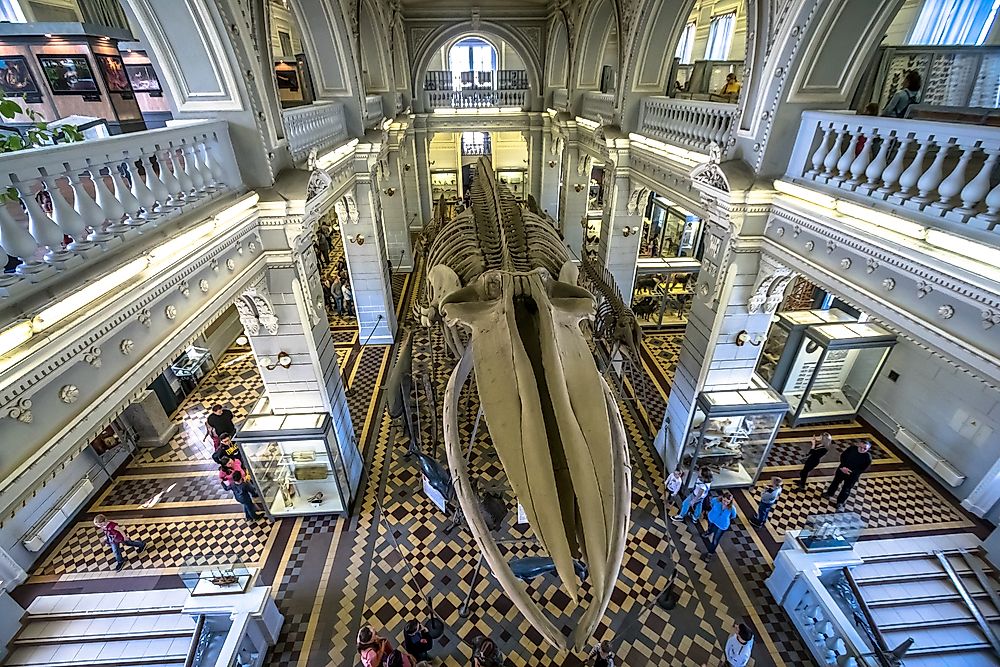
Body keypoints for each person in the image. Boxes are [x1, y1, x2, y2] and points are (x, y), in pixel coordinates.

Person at [824, 440, 873, 511]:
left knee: (846, 488)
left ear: (868, 449)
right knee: (835, 482)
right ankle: (829, 493)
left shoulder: (867, 457)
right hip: (842, 469)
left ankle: (840, 502)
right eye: (861, 447)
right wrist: (843, 467)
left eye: (865, 449)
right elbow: (843, 456)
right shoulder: (852, 449)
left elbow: (862, 469)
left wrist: (850, 471)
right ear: (859, 444)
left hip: (852, 475)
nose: (862, 449)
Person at [702, 491, 737, 559]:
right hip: (712, 519)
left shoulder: (732, 508)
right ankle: (708, 532)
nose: (725, 503)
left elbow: (733, 516)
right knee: (710, 528)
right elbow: (711, 504)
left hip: (721, 526)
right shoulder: (716, 500)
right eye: (724, 500)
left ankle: (710, 552)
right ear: (722, 498)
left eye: (727, 502)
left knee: (715, 540)